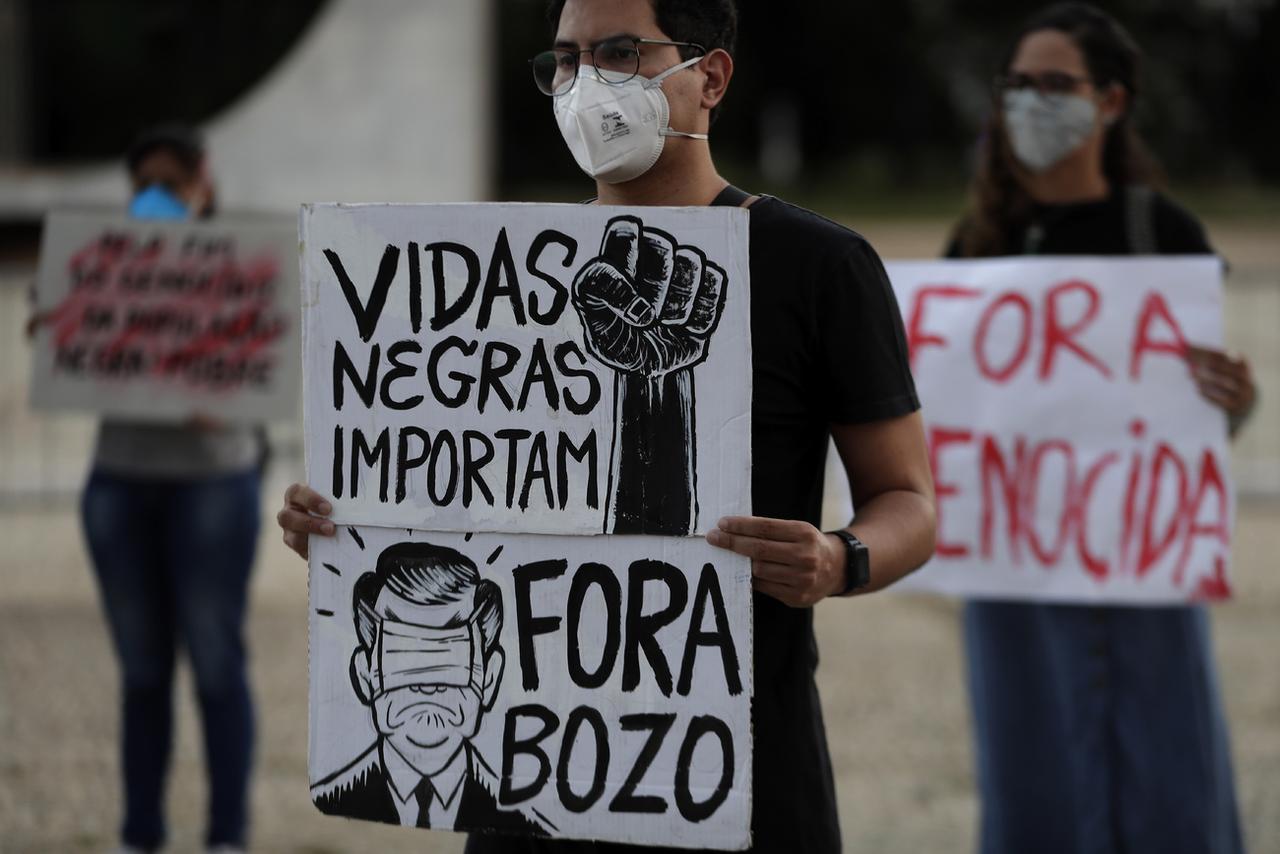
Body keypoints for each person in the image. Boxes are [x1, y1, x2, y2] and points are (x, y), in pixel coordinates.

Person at [277, 0, 938, 851]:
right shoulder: (501, 279)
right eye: (565, 59)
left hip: (735, 774)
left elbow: (908, 501)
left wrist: (838, 560)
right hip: (532, 783)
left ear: (711, 77)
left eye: (620, 52)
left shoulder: (820, 268)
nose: (586, 82)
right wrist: (347, 526)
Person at [946, 5, 1253, 853]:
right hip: (1014, 574)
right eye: (1016, 86)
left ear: (1110, 103)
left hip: (1138, 565)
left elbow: (1189, 430)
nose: (1030, 103)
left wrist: (1229, 400)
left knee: (1166, 768)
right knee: (1030, 768)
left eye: (1055, 85)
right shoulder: (977, 246)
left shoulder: (1163, 234)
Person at [77, 125, 263, 854]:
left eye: (171, 184)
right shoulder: (101, 268)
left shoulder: (243, 271)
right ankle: (141, 836)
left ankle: (224, 838)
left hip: (212, 479)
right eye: (143, 185)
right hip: (121, 481)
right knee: (142, 670)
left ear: (203, 188)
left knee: (217, 664)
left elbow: (270, 368)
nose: (155, 198)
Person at [310, 541, 546, 835]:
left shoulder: (527, 821)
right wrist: (324, 541)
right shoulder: (335, 796)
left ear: (490, 676)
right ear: (364, 674)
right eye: (403, 653)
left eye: (451, 653)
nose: (427, 685)